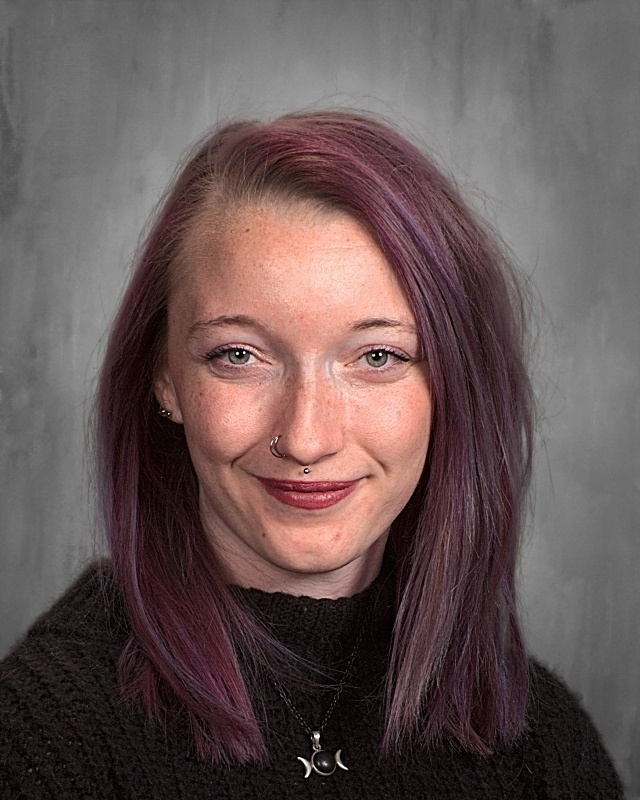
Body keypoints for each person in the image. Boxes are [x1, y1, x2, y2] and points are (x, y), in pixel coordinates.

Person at [0, 110, 623, 799]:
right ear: (165, 377)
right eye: (239, 356)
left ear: (454, 385)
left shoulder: (543, 744)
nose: (306, 438)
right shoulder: (39, 738)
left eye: (377, 356)